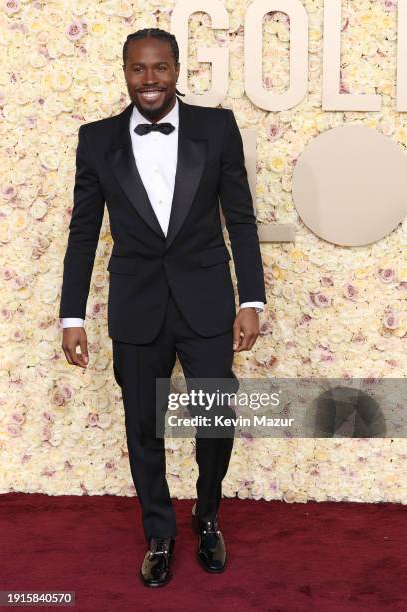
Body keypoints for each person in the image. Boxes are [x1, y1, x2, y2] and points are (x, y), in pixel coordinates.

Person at [59, 27, 266, 587]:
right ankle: (159, 532)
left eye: (160, 68)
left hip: (206, 302)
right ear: (124, 71)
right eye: (138, 69)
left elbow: (240, 218)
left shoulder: (216, 128)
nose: (149, 80)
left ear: (177, 69)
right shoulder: (96, 138)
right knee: (143, 426)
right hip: (136, 303)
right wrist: (71, 315)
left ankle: (206, 514)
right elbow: (84, 233)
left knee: (214, 415)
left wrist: (251, 299)